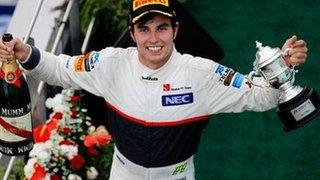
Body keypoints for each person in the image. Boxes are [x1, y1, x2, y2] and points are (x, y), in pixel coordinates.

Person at [0, 0, 308, 179]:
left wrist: (282, 69)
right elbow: (60, 68)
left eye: (162, 27)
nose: (153, 38)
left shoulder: (203, 73)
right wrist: (24, 52)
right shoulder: (109, 63)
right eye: (144, 29)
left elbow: (259, 96)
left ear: (176, 29)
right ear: (132, 33)